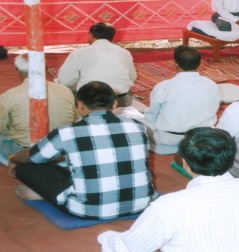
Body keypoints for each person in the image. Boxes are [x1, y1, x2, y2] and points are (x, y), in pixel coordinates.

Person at [97, 128, 239, 252]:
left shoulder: (167, 207)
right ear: (231, 158)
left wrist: (106, 236)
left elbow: (126, 248)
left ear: (185, 164)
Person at [7, 81, 156, 219]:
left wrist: (14, 159)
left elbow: (33, 156)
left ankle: (48, 195)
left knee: (27, 165)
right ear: (114, 104)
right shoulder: (138, 126)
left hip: (87, 209)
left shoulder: (67, 132)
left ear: (79, 105)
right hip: (142, 203)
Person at [0, 54, 77, 158]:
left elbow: (2, 128)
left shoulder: (9, 96)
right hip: (62, 148)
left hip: (25, 151)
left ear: (17, 70)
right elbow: (74, 119)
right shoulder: (65, 91)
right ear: (45, 69)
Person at [143, 46, 220, 146]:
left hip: (168, 138)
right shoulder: (211, 85)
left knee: (132, 118)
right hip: (201, 138)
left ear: (175, 63)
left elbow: (151, 115)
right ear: (199, 64)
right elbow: (213, 109)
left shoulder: (164, 86)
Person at [57, 22, 137, 107]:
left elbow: (65, 81)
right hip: (120, 101)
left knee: (61, 84)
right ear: (111, 37)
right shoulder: (124, 53)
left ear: (91, 35)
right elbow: (133, 77)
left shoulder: (79, 53)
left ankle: (83, 108)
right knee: (126, 89)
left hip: (91, 103)